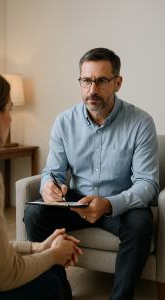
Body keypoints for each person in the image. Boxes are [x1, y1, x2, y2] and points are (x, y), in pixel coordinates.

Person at [24, 48, 159, 300]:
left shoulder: (141, 123)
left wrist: (108, 204)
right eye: (86, 80)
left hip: (120, 202)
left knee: (141, 223)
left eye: (101, 81)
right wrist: (49, 188)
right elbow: (53, 172)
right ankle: (59, 289)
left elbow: (147, 183)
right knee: (34, 213)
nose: (92, 89)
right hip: (77, 200)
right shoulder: (64, 122)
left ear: (118, 83)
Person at [0, 67, 82, 300]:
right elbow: (6, 275)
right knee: (49, 283)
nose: (10, 118)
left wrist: (38, 248)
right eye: (9, 109)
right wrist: (54, 255)